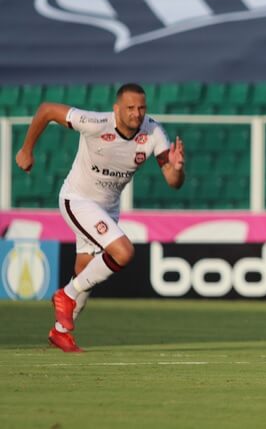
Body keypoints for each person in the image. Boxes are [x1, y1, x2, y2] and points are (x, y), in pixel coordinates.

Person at [15, 83, 185, 352]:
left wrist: (176, 168)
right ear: (117, 109)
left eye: (141, 108)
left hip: (108, 209)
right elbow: (47, 110)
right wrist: (26, 150)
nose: (136, 113)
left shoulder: (153, 131)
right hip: (78, 200)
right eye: (130, 108)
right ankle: (66, 295)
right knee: (124, 253)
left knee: (86, 274)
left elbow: (173, 182)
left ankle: (60, 332)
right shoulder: (95, 123)